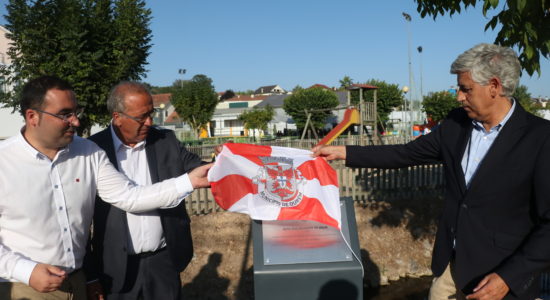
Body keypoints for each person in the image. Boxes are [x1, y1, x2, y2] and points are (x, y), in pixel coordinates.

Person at [313, 44, 550, 300]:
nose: (458, 96)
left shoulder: (541, 139)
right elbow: (405, 153)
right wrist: (344, 152)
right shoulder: (455, 124)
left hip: (502, 281)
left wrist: (509, 278)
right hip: (450, 273)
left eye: (465, 88)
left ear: (494, 86)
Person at [0, 75, 211, 300]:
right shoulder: (4, 162)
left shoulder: (88, 152)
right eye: (65, 114)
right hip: (24, 287)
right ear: (32, 116)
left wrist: (188, 181)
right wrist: (25, 270)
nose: (76, 121)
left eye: (75, 112)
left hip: (77, 283)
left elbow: (130, 197)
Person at [84, 82, 205, 300]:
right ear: (117, 117)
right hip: (116, 269)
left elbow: (199, 169)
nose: (149, 122)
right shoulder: (92, 150)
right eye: (141, 117)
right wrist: (91, 276)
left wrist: (224, 159)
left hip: (163, 263)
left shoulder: (164, 141)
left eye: (151, 114)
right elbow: (79, 222)